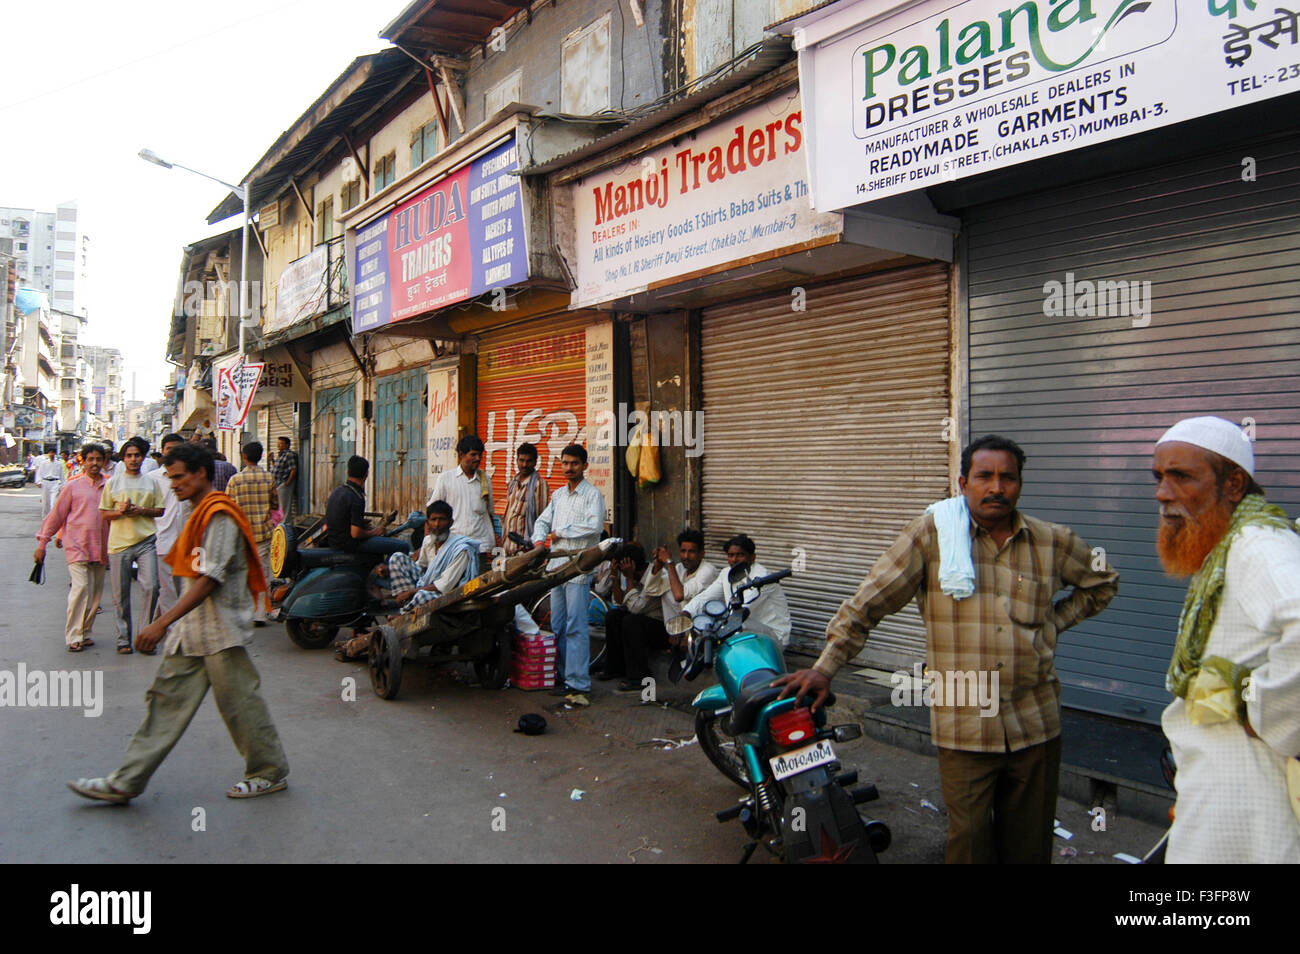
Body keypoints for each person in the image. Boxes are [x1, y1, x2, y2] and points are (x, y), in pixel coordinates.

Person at [776, 435, 1119, 864]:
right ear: (963, 482)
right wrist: (825, 667)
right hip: (964, 724)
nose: (996, 487)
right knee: (970, 844)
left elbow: (1103, 582)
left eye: (1007, 478)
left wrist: (1052, 624)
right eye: (984, 476)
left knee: (1030, 848)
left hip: (1035, 723)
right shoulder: (932, 537)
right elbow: (868, 602)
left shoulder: (1054, 543)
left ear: (1020, 484)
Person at [67, 441, 290, 804]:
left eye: (179, 477)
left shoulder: (218, 514)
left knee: (239, 705)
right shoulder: (196, 511)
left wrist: (160, 622)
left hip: (220, 631)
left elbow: (209, 578)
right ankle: (127, 780)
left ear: (201, 473)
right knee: (165, 702)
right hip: (191, 632)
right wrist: (171, 624)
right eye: (170, 478)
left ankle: (269, 771)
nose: (173, 485)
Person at [1152, 416, 1300, 863]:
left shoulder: (1257, 542)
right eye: (1159, 477)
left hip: (1245, 782)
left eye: (1181, 477)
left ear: (1234, 484)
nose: (1162, 493)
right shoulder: (1228, 543)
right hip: (1214, 769)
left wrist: (1263, 711)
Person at [532, 443, 605, 707]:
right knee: (559, 624)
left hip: (578, 569)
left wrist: (562, 531)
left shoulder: (592, 495)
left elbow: (595, 526)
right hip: (556, 569)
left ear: (584, 466)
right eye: (565, 463)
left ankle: (579, 684)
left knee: (576, 625)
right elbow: (542, 521)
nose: (569, 468)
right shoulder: (558, 496)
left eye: (574, 463)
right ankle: (564, 677)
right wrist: (540, 541)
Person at [34, 443, 110, 651]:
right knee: (81, 588)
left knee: (95, 594)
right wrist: (44, 542)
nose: (94, 464)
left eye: (98, 459)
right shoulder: (73, 486)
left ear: (104, 462)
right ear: (83, 462)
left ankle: (85, 632)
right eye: (90, 460)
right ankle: (74, 636)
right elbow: (57, 515)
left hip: (101, 547)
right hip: (76, 546)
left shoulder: (111, 485)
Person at [99, 436, 164, 655]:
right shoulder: (113, 483)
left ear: (143, 457)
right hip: (119, 545)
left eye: (137, 455)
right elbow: (104, 513)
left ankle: (144, 636)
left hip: (146, 541)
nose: (133, 459)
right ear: (123, 458)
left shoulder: (151, 482)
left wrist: (141, 511)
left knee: (152, 586)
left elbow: (160, 510)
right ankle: (123, 638)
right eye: (129, 455)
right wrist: (120, 512)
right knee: (120, 594)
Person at [632, 528, 720, 680]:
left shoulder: (708, 570)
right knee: (664, 594)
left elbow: (680, 595)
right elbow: (652, 590)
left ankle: (684, 644)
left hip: (705, 630)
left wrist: (669, 563)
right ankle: (675, 639)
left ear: (702, 554)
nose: (686, 556)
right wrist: (658, 566)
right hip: (680, 630)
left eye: (692, 552)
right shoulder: (679, 569)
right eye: (683, 551)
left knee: (675, 591)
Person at [683, 533, 792, 645]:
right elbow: (706, 596)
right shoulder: (726, 573)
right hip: (747, 631)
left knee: (734, 623)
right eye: (730, 555)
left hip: (774, 636)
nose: (734, 559)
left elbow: (742, 610)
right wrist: (686, 613)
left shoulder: (762, 576)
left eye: (740, 555)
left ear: (752, 557)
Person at [595, 543, 670, 692]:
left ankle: (639, 677)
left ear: (631, 565)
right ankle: (615, 667)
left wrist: (629, 579)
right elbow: (620, 602)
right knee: (613, 616)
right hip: (642, 621)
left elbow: (636, 607)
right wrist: (615, 578)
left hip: (662, 628)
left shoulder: (656, 575)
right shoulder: (629, 574)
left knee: (631, 621)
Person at [386, 501, 481, 612]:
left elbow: (445, 586)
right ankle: (405, 604)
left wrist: (412, 591)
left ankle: (403, 613)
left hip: (448, 595)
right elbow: (421, 567)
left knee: (422, 596)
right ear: (428, 522)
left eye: (442, 519)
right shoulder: (428, 541)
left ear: (451, 522)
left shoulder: (460, 550)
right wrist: (390, 571)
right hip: (425, 585)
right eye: (434, 519)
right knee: (397, 558)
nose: (437, 524)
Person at [226, 441, 278, 624]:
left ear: (244, 457)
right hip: (263, 533)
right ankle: (260, 614)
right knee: (262, 573)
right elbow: (275, 505)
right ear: (261, 456)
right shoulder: (269, 478)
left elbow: (229, 507)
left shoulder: (235, 480)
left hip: (242, 533)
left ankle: (244, 612)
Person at [502, 441, 548, 635]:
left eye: (529, 461)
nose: (524, 464)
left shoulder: (538, 484)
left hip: (525, 549)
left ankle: (528, 636)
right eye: (521, 460)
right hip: (508, 548)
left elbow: (542, 517)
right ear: (516, 460)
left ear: (535, 462)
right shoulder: (514, 482)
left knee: (521, 596)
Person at [324, 455, 406, 556]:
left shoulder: (337, 491)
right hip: (350, 545)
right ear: (366, 474)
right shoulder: (356, 497)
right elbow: (356, 533)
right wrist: (375, 532)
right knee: (403, 546)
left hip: (334, 542)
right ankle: (383, 571)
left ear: (348, 472)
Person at [428, 435, 496, 553]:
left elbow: (489, 513)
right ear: (461, 455)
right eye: (473, 454)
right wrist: (429, 544)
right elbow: (432, 512)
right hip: (454, 544)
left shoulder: (485, 480)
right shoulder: (445, 479)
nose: (478, 458)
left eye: (480, 455)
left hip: (481, 545)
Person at [150, 434, 190, 622]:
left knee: (185, 588)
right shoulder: (152, 479)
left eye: (178, 449)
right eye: (169, 449)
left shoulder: (193, 476)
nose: (173, 453)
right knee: (168, 590)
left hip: (189, 543)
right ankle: (174, 631)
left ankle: (160, 623)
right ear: (162, 451)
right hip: (163, 541)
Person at [272, 436, 298, 526]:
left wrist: (288, 482)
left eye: (281, 443)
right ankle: (281, 525)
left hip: (284, 483)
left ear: (287, 445)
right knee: (279, 506)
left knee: (284, 506)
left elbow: (293, 469)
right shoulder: (281, 454)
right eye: (278, 443)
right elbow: (277, 468)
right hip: (278, 483)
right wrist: (271, 459)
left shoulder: (289, 454)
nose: (278, 445)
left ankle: (286, 525)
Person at [35, 449, 64, 517]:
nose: (51, 454)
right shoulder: (44, 463)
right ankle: (45, 518)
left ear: (55, 454)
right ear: (48, 454)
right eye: (50, 453)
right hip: (45, 483)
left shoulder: (59, 464)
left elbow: (62, 476)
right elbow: (39, 473)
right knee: (45, 503)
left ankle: (52, 518)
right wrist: (38, 481)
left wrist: (63, 485)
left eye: (53, 453)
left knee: (54, 502)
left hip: (55, 483)